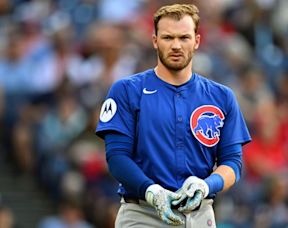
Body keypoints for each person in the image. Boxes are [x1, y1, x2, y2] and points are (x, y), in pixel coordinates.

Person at [95, 3, 251, 227]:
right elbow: (117, 157)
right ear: (155, 40)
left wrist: (207, 185)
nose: (176, 45)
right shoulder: (127, 90)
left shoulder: (222, 97)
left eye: (184, 37)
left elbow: (233, 163)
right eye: (168, 38)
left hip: (200, 213)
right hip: (143, 213)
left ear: (197, 41)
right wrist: (152, 191)